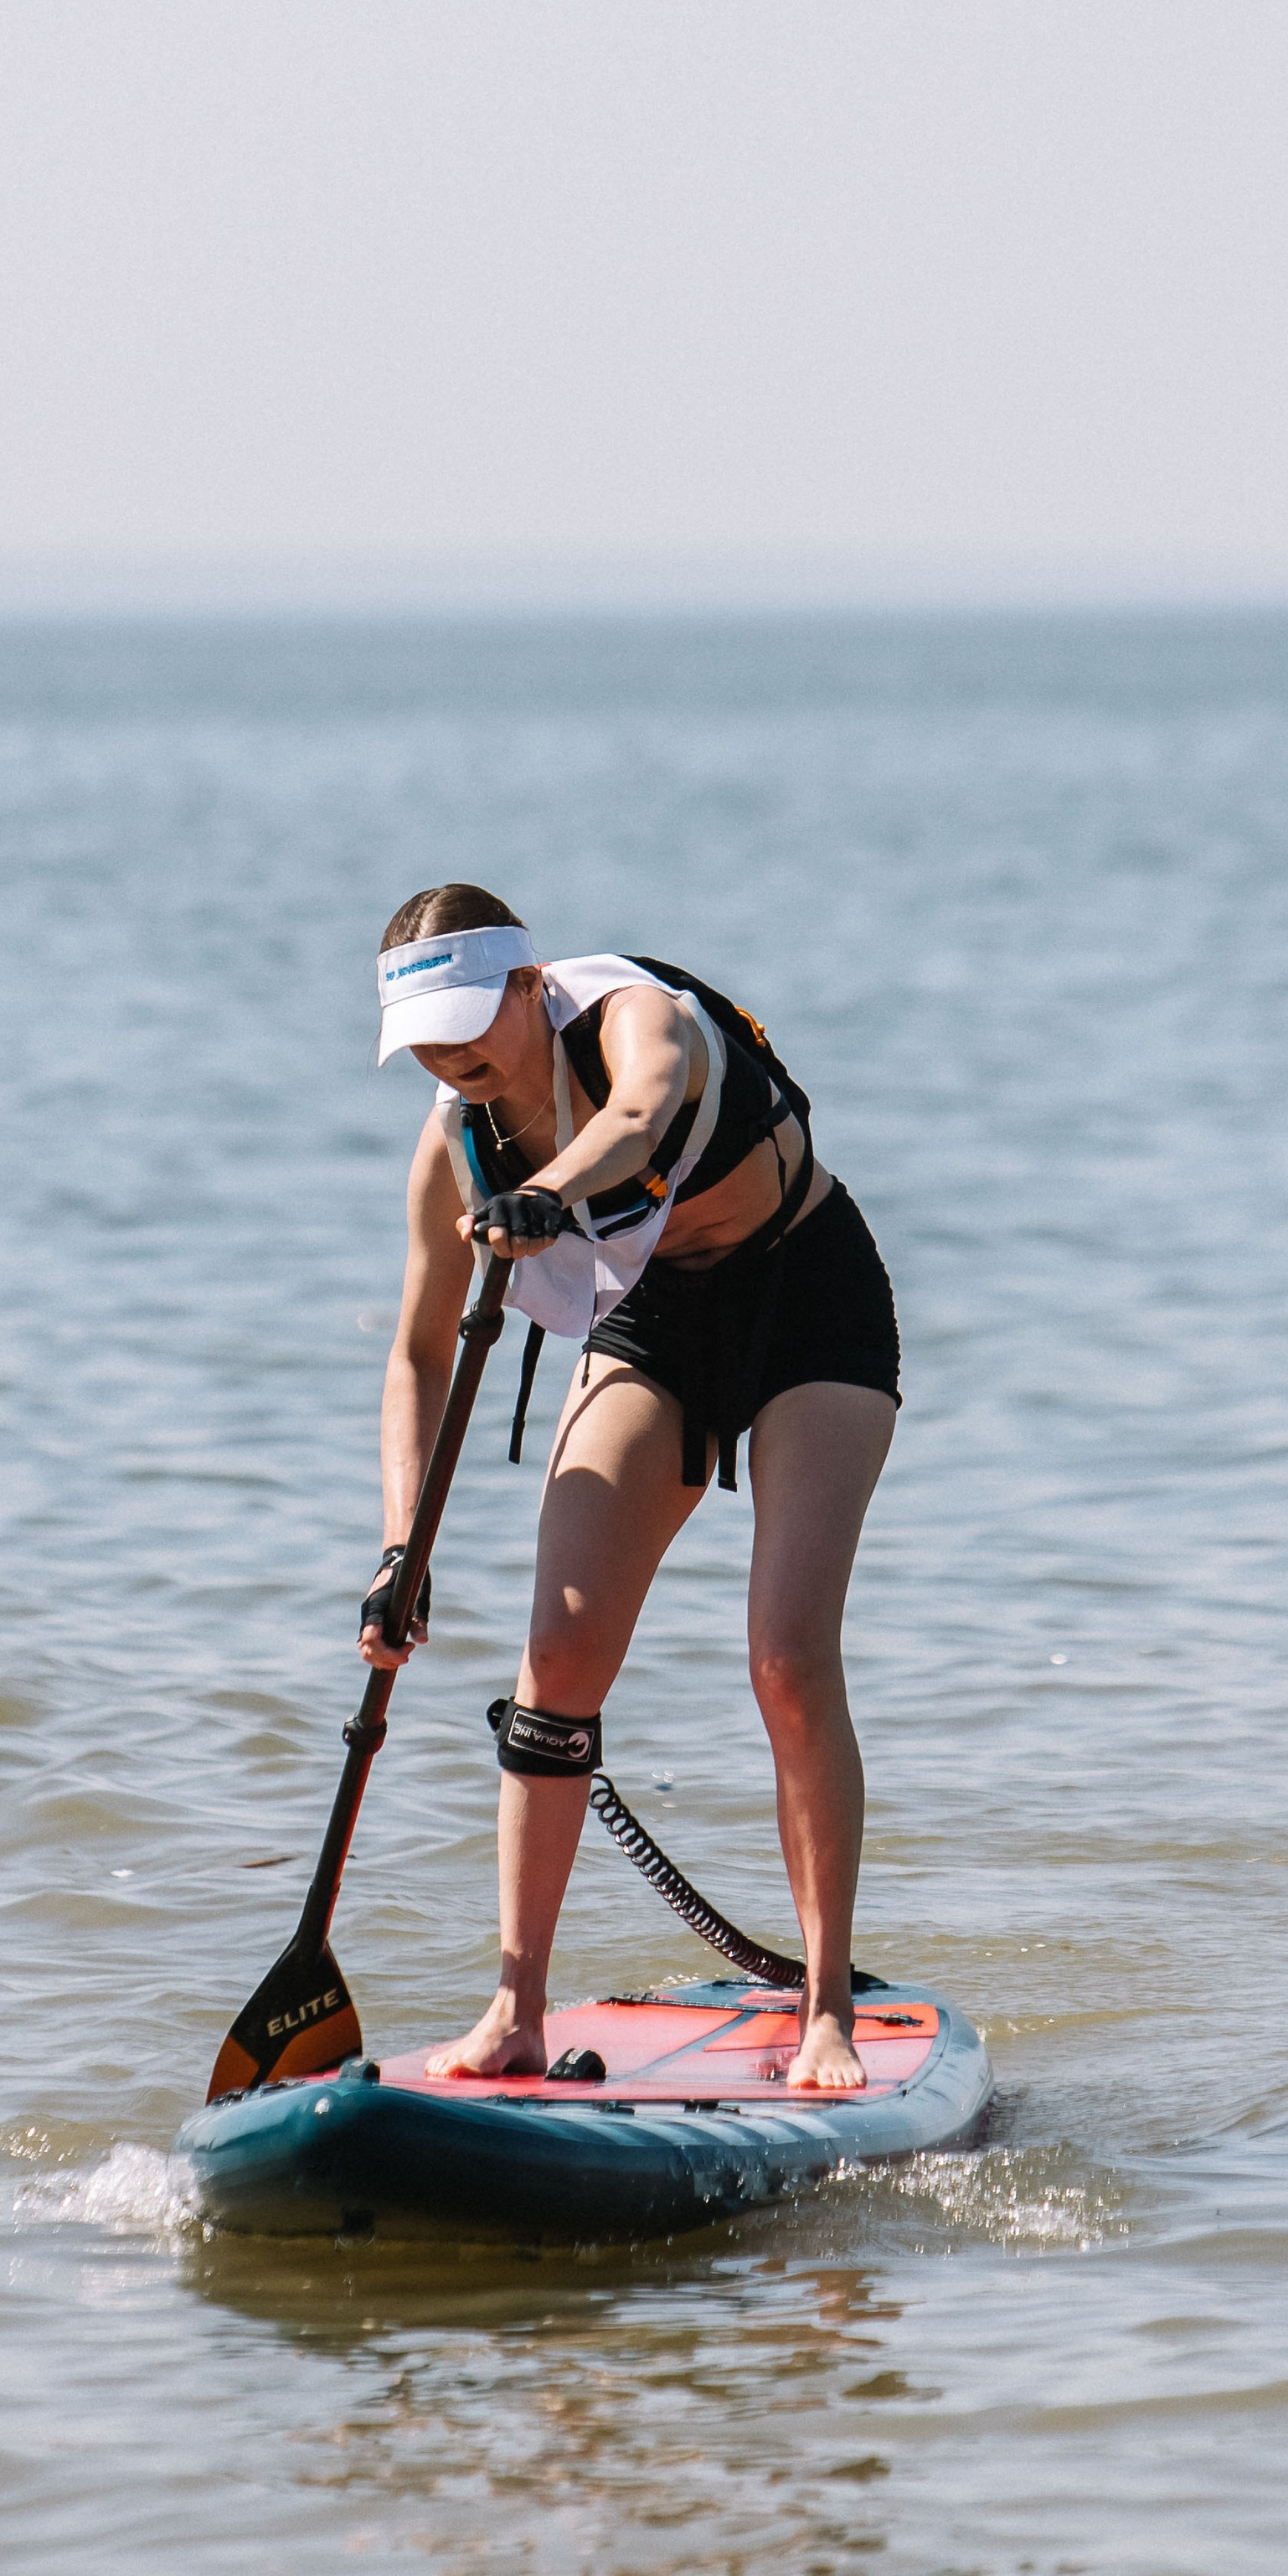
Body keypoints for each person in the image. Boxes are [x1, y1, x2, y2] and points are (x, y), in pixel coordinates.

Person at [361, 882, 901, 2092]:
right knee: (556, 1658)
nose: (450, 1058)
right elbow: (419, 1353)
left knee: (787, 1658)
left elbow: (644, 1112)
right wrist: (403, 1550)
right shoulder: (456, 1145)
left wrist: (550, 1193)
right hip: (654, 1321)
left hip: (807, 1297)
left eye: (468, 1022)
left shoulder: (629, 1018)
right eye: (424, 1042)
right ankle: (515, 2009)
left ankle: (826, 2013)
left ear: (527, 983)